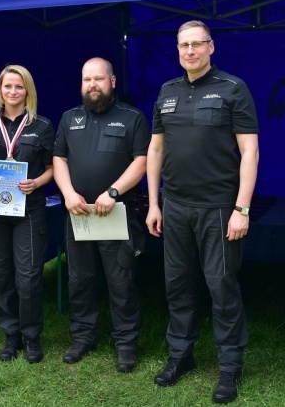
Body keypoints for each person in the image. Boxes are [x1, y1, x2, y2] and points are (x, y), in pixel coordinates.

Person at [145, 21, 259, 404]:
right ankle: (181, 355)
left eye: (197, 44)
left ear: (211, 47)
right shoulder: (167, 91)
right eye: (183, 45)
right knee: (177, 285)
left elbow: (249, 152)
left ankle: (229, 366)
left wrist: (241, 208)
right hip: (175, 206)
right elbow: (156, 150)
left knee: (221, 286)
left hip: (218, 208)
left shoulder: (233, 88)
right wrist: (155, 202)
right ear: (177, 50)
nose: (190, 51)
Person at [52, 57, 150, 373]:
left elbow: (142, 161)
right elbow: (59, 159)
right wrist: (68, 193)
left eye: (98, 79)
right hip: (79, 213)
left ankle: (126, 345)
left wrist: (113, 192)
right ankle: (83, 337)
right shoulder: (69, 119)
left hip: (115, 212)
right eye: (86, 80)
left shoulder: (132, 118)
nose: (92, 85)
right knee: (80, 279)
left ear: (112, 81)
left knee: (120, 282)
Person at [0, 65, 55, 363]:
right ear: (0, 90)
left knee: (29, 276)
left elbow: (52, 168)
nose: (13, 92)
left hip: (29, 209)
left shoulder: (42, 126)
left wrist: (37, 182)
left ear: (27, 91)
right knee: (0, 274)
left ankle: (32, 337)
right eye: (8, 86)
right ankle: (11, 336)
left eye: (19, 87)